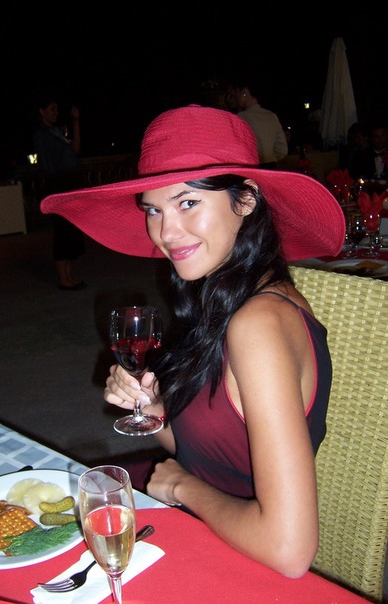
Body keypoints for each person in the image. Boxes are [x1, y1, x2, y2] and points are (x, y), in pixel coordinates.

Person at [40, 105, 345, 577]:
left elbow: (290, 550)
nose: (166, 233)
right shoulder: (229, 296)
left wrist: (182, 487)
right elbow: (205, 448)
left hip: (237, 557)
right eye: (153, 210)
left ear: (246, 200)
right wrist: (153, 407)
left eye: (187, 203)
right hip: (207, 523)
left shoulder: (258, 323)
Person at [33, 96, 86, 290]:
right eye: (52, 109)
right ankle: (63, 278)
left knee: (70, 231)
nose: (56, 112)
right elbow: (49, 166)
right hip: (59, 187)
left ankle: (69, 276)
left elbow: (75, 150)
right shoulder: (42, 135)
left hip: (70, 186)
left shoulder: (56, 132)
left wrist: (75, 122)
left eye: (56, 108)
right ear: (41, 111)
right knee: (62, 232)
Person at [225, 80, 288, 168]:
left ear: (244, 92)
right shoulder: (271, 116)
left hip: (250, 168)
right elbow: (282, 149)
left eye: (236, 94)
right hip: (271, 166)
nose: (235, 98)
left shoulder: (240, 118)